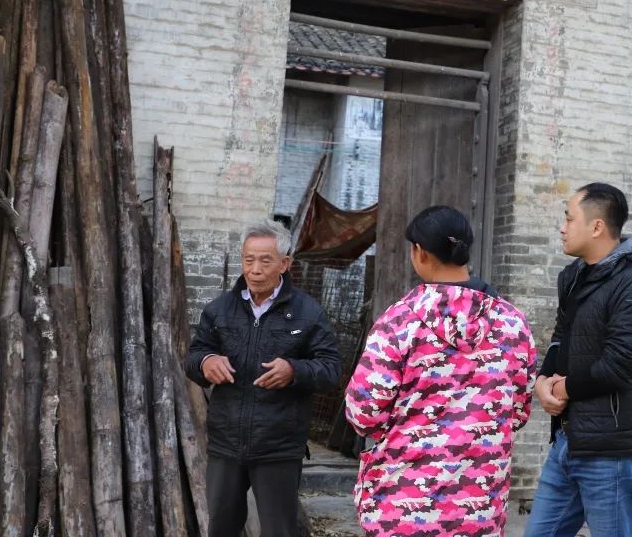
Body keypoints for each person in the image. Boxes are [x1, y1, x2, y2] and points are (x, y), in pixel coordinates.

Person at [345, 205, 537, 537]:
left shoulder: (399, 321)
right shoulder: (512, 322)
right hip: (479, 508)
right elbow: (517, 412)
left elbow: (363, 413)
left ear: (419, 251)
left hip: (401, 507)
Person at [185, 220, 341, 537]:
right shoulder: (219, 310)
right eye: (248, 259)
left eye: (265, 260)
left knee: (278, 531)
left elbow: (331, 369)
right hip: (226, 443)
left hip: (279, 445)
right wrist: (206, 362)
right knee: (221, 527)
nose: (254, 269)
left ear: (285, 264)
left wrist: (294, 371)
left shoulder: (308, 314)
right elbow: (193, 355)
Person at [523, 183, 632, 537]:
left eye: (570, 218)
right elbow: (560, 339)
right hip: (568, 443)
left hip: (611, 453)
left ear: (597, 226)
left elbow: (623, 363)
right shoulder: (572, 276)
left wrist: (564, 388)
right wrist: (542, 382)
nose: (562, 226)